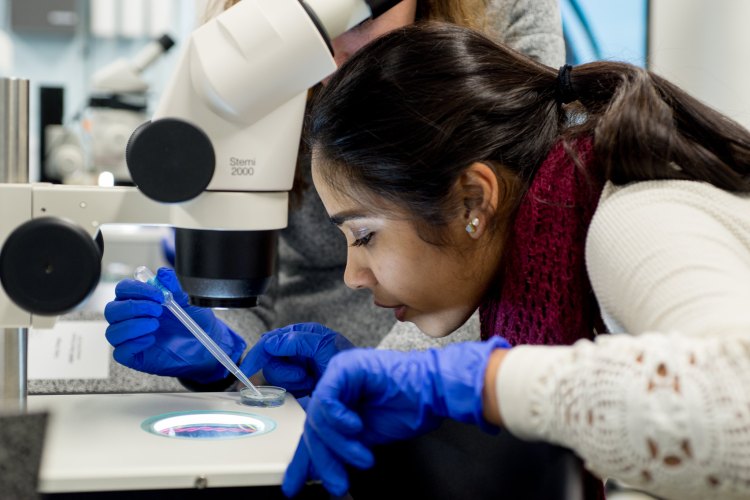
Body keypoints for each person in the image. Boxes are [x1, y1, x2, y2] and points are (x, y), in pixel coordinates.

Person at [235, 22, 750, 500]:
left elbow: (736, 409)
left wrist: (478, 382)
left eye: (365, 234)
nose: (353, 276)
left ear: (472, 202)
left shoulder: (631, 218)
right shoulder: (534, 262)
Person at [103, 0, 566, 389]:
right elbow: (256, 288)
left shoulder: (505, 17)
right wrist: (219, 352)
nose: (327, 55)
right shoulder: (249, 52)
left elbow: (519, 242)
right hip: (297, 378)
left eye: (351, 18)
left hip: (460, 376)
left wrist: (386, 380)